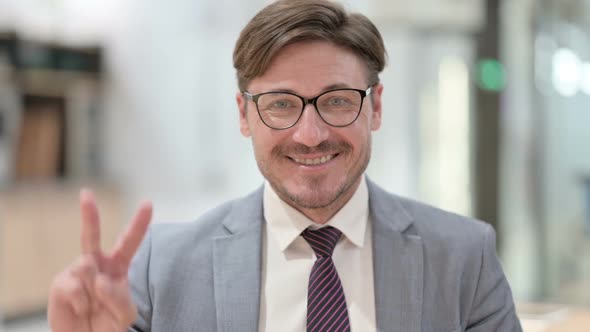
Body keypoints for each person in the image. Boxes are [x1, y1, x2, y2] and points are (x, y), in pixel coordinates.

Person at [47, 0, 523, 331]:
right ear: (243, 114)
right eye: (280, 104)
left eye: (337, 101)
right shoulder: (163, 267)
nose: (310, 134)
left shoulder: (464, 258)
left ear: (376, 107)